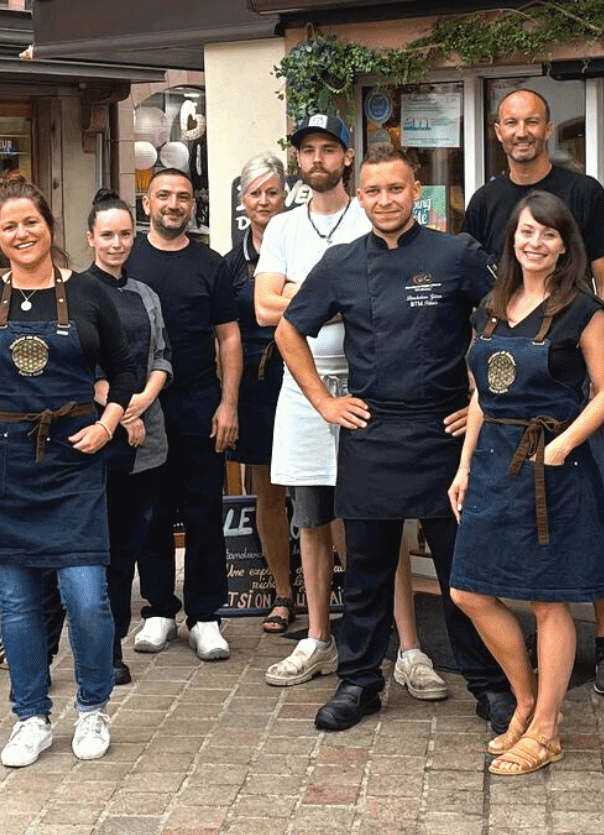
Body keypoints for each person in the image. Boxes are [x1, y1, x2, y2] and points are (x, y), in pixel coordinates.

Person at [277, 144, 508, 733]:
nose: (385, 200)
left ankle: (487, 685)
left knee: (464, 573)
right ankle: (359, 683)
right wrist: (326, 402)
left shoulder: (456, 254)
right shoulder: (341, 262)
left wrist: (481, 400)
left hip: (444, 432)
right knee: (368, 573)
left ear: (417, 192)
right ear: (360, 196)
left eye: (396, 189)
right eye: (373, 191)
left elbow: (507, 318)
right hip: (372, 433)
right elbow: (287, 330)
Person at [0, 180, 138, 768]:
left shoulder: (90, 294)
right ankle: (31, 716)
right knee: (19, 604)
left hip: (72, 463)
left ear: (49, 225)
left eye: (31, 222)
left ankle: (93, 708)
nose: (22, 234)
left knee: (88, 599)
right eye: (9, 227)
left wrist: (108, 423)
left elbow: (124, 371)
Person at [256, 116, 445, 699]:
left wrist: (319, 295)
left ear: (347, 158)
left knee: (380, 525)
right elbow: (267, 310)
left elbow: (397, 302)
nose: (317, 158)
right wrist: (339, 297)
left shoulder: (377, 214)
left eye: (327, 149)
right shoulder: (284, 225)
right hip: (306, 387)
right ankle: (318, 636)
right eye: (307, 150)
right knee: (313, 519)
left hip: (374, 389)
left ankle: (408, 648)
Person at [463, 86, 604, 695]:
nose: (522, 130)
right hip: (510, 386)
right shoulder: (484, 201)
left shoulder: (581, 191)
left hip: (569, 377)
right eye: (511, 122)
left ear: (546, 128)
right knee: (499, 572)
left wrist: (595, 354)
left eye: (532, 120)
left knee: (588, 521)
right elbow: (478, 281)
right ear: (496, 130)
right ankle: (533, 681)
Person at [448, 192, 604, 775]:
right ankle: (525, 701)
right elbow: (480, 396)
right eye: (526, 233)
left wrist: (566, 443)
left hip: (556, 468)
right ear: (513, 240)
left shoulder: (585, 311)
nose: (535, 243)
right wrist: (464, 465)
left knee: (548, 601)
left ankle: (545, 729)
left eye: (548, 234)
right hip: (494, 461)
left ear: (565, 244)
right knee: (468, 591)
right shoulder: (491, 308)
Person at [123, 165, 236, 662]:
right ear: (146, 204)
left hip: (198, 401)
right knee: (149, 512)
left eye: (184, 197)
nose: (173, 204)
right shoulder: (127, 258)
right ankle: (159, 611)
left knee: (204, 510)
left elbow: (228, 337)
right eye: (163, 195)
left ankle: (206, 616)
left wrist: (229, 402)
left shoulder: (212, 264)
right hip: (142, 407)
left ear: (194, 205)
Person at [85, 189, 172, 688]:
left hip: (147, 430)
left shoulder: (145, 294)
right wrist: (119, 409)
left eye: (124, 234)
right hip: (100, 433)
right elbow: (80, 363)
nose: (117, 243)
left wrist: (141, 400)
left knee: (130, 544)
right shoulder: (75, 291)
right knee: (101, 548)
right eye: (107, 235)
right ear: (90, 237)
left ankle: (116, 637)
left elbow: (162, 356)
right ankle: (103, 646)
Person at [213, 153, 296, 635]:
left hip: (309, 374)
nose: (264, 201)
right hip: (258, 386)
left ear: (286, 196)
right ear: (243, 201)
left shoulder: (305, 246)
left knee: (321, 491)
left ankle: (340, 589)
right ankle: (283, 594)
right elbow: (225, 337)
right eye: (255, 193)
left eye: (273, 192)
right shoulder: (229, 264)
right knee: (268, 492)